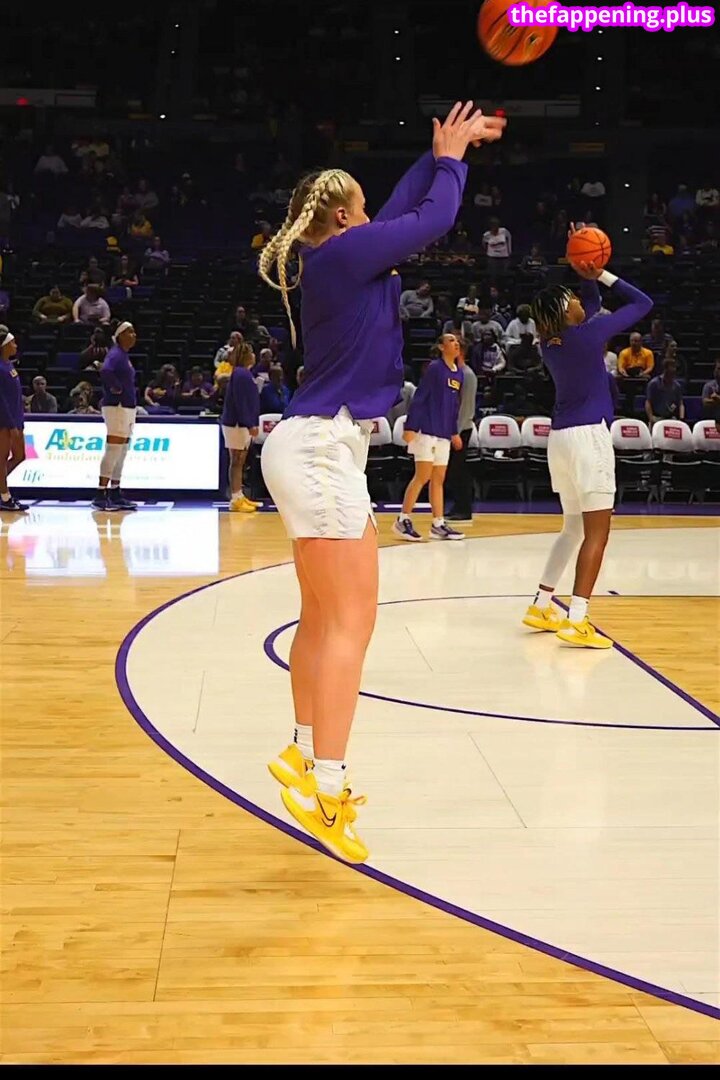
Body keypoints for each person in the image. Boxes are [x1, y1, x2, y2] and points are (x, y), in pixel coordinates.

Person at [258, 101, 505, 863]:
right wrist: (452, 166)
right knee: (350, 625)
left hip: (308, 445)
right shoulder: (343, 256)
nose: (376, 220)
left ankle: (303, 752)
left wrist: (439, 152)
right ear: (342, 216)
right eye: (362, 208)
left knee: (320, 616)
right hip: (321, 448)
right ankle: (327, 789)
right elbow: (428, 220)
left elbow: (399, 212)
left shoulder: (337, 255)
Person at [523, 253, 652, 648]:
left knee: (572, 528)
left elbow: (590, 305)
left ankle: (542, 604)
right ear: (566, 311)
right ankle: (577, 618)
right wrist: (603, 273)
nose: (581, 301)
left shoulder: (550, 342)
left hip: (560, 439)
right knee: (598, 532)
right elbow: (643, 303)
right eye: (574, 299)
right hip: (587, 438)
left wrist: (586, 278)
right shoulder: (587, 335)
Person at [394, 334, 465, 542]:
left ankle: (438, 523)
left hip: (443, 433)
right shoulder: (435, 368)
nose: (456, 343)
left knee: (438, 479)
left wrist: (454, 431)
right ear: (441, 347)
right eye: (451, 341)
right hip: (426, 430)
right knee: (422, 476)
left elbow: (454, 406)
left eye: (457, 341)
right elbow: (421, 397)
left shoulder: (459, 373)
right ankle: (402, 519)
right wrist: (411, 426)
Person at [93, 321, 138, 512]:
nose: (134, 335)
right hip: (117, 406)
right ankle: (100, 494)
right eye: (129, 332)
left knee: (122, 450)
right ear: (119, 335)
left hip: (126, 406)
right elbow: (105, 370)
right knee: (114, 449)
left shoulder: (123, 355)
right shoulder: (115, 354)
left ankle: (115, 491)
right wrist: (115, 387)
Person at [221, 345, 261, 513]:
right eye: (251, 352)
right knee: (237, 461)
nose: (254, 355)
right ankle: (236, 498)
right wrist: (249, 423)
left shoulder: (243, 373)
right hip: (236, 423)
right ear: (246, 355)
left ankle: (239, 495)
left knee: (239, 461)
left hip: (238, 423)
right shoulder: (241, 374)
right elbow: (241, 402)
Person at [445, 338, 477, 523]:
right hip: (453, 428)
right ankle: (458, 505)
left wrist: (455, 431)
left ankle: (465, 509)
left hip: (461, 428)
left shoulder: (467, 375)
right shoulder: (455, 373)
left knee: (459, 469)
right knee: (452, 470)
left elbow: (466, 407)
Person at [0, 326, 27, 513]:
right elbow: (1, 400)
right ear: (4, 346)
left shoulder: (9, 365)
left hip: (16, 419)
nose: (16, 346)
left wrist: (19, 421)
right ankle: (5, 497)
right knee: (1, 460)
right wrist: (10, 424)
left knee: (20, 456)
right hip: (4, 421)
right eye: (13, 343)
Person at [645, 358, 685, 424]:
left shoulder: (677, 386)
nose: (674, 369)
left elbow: (680, 404)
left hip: (671, 417)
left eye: (674, 367)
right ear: (665, 369)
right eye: (672, 367)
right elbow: (648, 402)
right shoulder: (654, 383)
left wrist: (681, 418)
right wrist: (651, 418)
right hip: (656, 417)